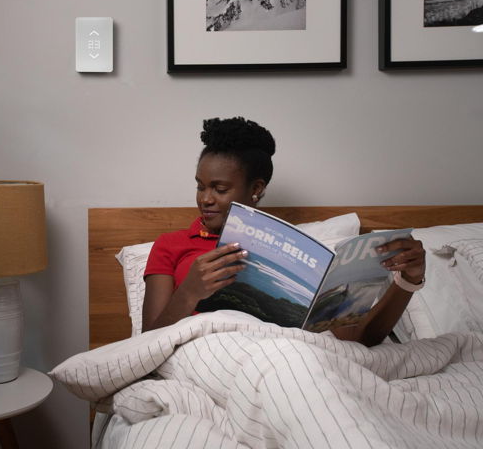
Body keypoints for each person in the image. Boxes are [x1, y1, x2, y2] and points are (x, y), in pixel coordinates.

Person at [141, 117, 426, 347]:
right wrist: (189, 292)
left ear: (256, 189)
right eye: (200, 186)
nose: (205, 199)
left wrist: (408, 281)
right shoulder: (171, 245)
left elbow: (360, 340)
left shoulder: (302, 256)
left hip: (283, 356)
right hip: (205, 358)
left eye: (220, 189)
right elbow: (145, 346)